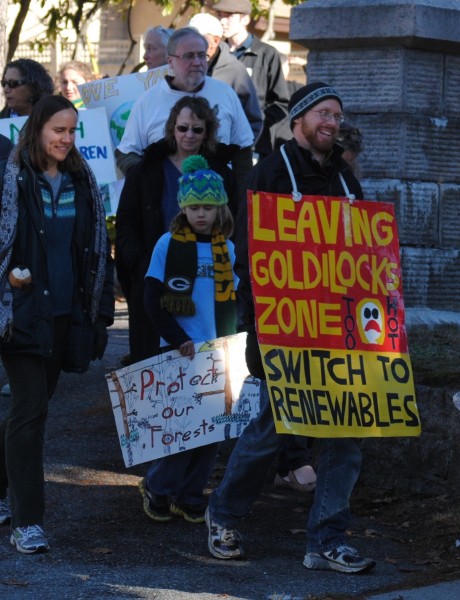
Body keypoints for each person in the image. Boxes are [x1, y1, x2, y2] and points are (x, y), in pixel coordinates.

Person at [205, 82, 376, 574]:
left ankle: (327, 539)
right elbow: (249, 259)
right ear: (299, 119)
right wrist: (260, 334)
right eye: (323, 112)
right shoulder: (270, 173)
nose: (332, 122)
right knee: (269, 433)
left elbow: (365, 257)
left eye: (337, 115)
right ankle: (223, 517)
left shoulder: (345, 180)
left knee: (346, 436)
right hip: (284, 332)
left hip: (338, 334)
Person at [0, 95, 114, 554]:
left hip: (66, 315)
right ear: (37, 131)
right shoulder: (13, 179)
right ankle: (28, 522)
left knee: (31, 409)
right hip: (19, 314)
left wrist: (100, 313)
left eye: (71, 131)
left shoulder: (81, 182)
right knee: (29, 412)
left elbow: (95, 251)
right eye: (57, 131)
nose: (66, 140)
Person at [139, 154, 238, 524]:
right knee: (183, 430)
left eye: (208, 207)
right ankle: (158, 486)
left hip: (217, 350)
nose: (201, 214)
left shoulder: (226, 250)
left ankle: (190, 493)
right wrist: (177, 337)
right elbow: (152, 298)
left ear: (218, 209)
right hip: (179, 348)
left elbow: (233, 301)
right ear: (183, 207)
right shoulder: (167, 245)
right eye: (194, 206)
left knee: (211, 432)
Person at [115, 95, 238, 364]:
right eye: (183, 128)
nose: (189, 135)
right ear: (172, 128)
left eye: (197, 129)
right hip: (156, 269)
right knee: (154, 364)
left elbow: (235, 221)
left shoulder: (220, 173)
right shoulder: (146, 169)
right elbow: (126, 222)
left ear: (207, 132)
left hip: (209, 275)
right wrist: (140, 263)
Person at [115, 27, 254, 191]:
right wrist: (147, 182)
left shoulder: (225, 94)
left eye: (201, 55)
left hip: (218, 202)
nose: (197, 62)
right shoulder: (148, 101)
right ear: (170, 60)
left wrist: (241, 198)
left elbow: (243, 149)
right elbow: (126, 152)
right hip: (164, 204)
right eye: (188, 56)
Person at [213, 0, 289, 158]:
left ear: (246, 19)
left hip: (254, 147)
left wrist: (253, 123)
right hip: (217, 144)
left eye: (229, 16)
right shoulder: (215, 54)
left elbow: (281, 104)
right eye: (220, 16)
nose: (222, 21)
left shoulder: (267, 54)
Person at [188, 12, 263, 145]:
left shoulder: (235, 70)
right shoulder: (183, 64)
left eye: (198, 37)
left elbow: (253, 119)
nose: (191, 42)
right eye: (189, 36)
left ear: (215, 41)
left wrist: (237, 154)